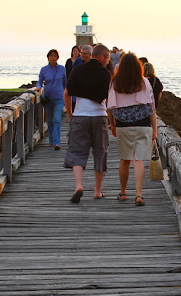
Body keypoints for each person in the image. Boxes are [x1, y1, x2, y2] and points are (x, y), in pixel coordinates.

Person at [107, 53, 157, 207]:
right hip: (142, 125)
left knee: (124, 160)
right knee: (138, 160)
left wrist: (112, 124)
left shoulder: (115, 82)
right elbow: (151, 108)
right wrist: (154, 129)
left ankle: (123, 192)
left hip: (123, 125)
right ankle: (139, 194)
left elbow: (109, 107)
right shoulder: (144, 82)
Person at [63, 44, 112, 202]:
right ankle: (97, 191)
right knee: (100, 152)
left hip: (80, 115)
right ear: (101, 57)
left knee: (77, 151)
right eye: (108, 58)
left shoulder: (77, 70)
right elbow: (109, 99)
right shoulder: (106, 74)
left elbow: (67, 93)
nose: (108, 62)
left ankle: (78, 185)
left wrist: (70, 114)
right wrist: (113, 121)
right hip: (99, 116)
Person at [37, 49, 67, 150]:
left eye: (55, 56)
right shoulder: (44, 69)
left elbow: (65, 83)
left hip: (59, 98)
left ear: (57, 57)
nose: (53, 57)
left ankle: (57, 142)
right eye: (51, 56)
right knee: (50, 121)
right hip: (48, 99)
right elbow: (40, 81)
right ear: (48, 57)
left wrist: (67, 95)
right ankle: (51, 141)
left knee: (56, 119)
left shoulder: (62, 69)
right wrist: (39, 87)